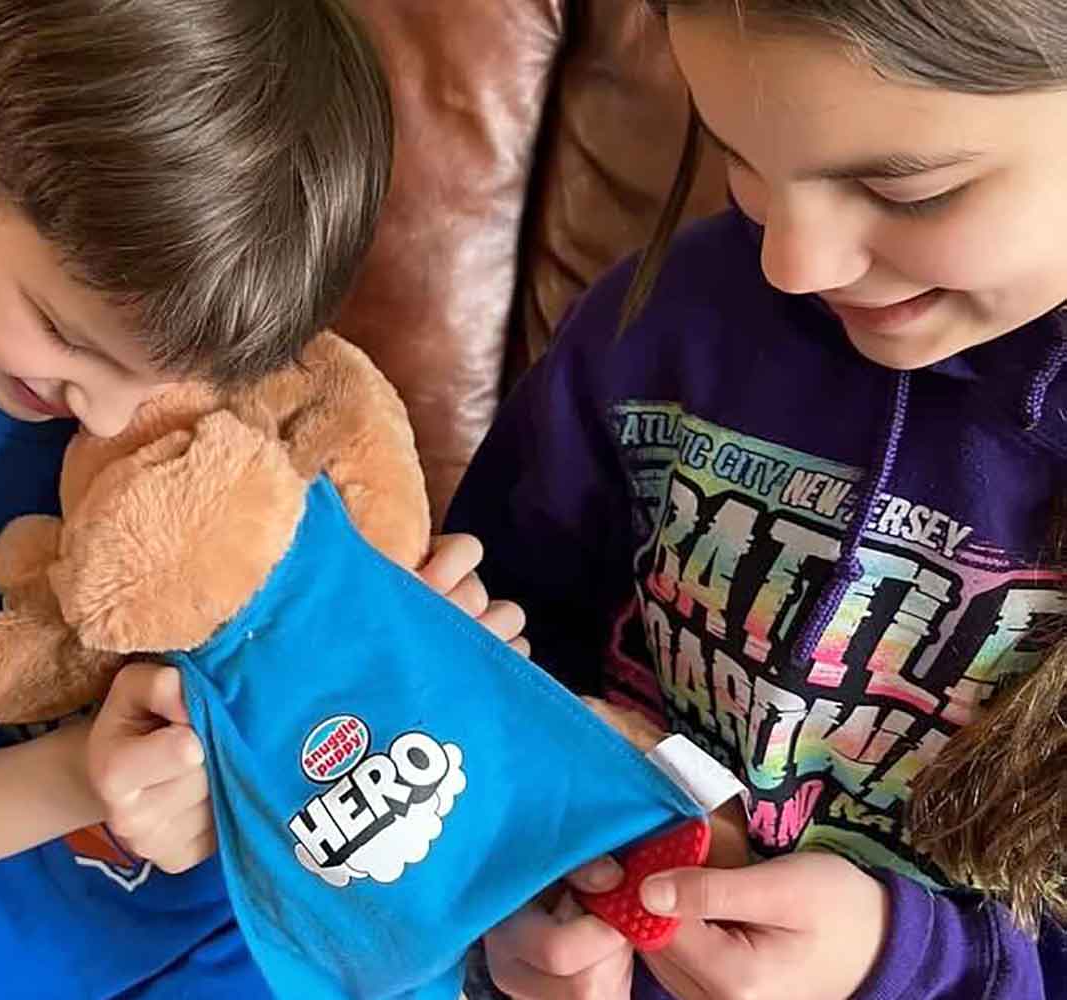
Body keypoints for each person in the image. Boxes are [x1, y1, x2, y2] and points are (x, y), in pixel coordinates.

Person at [0, 1, 525, 996]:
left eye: (164, 380)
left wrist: (419, 652)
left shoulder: (271, 378)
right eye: (65, 336)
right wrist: (81, 775)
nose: (106, 415)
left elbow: (339, 688)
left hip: (272, 942)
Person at [447, 1, 1067, 997]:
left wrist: (906, 964)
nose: (792, 262)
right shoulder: (655, 326)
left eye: (904, 189)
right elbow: (500, 645)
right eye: (737, 154)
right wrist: (509, 891)